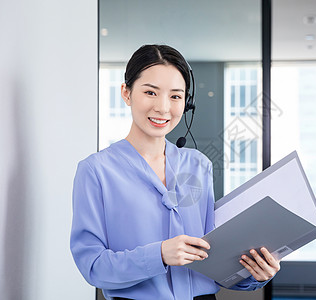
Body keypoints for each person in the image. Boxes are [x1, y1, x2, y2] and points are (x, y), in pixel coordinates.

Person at [70, 44, 280, 300]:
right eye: (150, 92)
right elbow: (93, 267)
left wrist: (254, 273)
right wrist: (158, 255)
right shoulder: (96, 171)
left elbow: (211, 258)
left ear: (186, 103)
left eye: (175, 96)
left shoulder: (199, 165)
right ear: (126, 93)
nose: (163, 108)